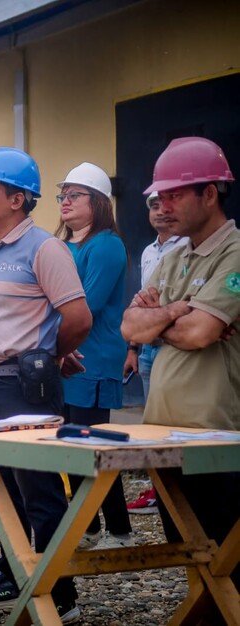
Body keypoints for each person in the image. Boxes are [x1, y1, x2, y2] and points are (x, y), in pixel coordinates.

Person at [0, 147, 92, 623]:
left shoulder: (44, 248)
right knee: (5, 491)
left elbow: (78, 317)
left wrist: (50, 353)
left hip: (25, 386)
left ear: (18, 199)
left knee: (39, 491)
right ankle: (13, 576)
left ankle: (61, 595)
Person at [121, 136, 239, 594]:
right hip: (164, 433)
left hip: (216, 437)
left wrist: (162, 320)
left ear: (209, 194)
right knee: (189, 558)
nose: (161, 205)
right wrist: (176, 310)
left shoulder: (234, 253)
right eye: (158, 196)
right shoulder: (174, 256)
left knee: (224, 561)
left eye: (173, 194)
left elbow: (200, 334)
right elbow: (130, 328)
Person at [53, 162, 133, 550]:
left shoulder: (106, 245)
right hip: (64, 359)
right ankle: (89, 527)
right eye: (62, 196)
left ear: (98, 201)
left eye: (74, 195)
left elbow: (86, 304)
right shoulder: (62, 245)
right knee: (71, 446)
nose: (65, 202)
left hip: (93, 358)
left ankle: (119, 530)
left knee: (96, 449)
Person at [123, 192, 188, 516]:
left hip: (177, 347)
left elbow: (186, 306)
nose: (161, 211)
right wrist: (134, 347)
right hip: (147, 348)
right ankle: (156, 490)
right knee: (153, 423)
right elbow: (139, 305)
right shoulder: (150, 251)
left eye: (168, 204)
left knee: (179, 423)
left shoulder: (188, 249)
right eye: (153, 205)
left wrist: (153, 316)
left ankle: (179, 491)